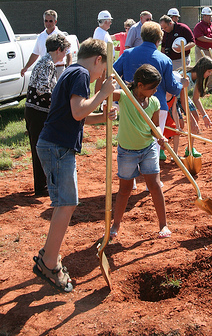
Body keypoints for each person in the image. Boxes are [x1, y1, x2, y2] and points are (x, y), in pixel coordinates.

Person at [33, 38, 116, 292]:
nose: (100, 76)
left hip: (55, 145)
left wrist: (102, 116)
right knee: (66, 204)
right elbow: (79, 111)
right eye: (102, 71)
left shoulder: (72, 71)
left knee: (65, 203)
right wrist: (103, 93)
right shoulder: (80, 73)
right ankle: (48, 262)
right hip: (57, 147)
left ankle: (49, 254)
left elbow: (76, 116)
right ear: (98, 60)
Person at [109, 64, 171, 241]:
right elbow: (102, 94)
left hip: (148, 148)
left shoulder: (154, 102)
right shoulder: (124, 97)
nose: (155, 90)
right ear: (140, 85)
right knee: (125, 190)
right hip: (127, 151)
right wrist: (105, 82)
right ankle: (116, 225)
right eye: (152, 87)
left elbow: (154, 128)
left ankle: (163, 225)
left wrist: (160, 137)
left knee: (155, 185)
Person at [113, 21, 189, 161]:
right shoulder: (164, 60)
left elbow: (113, 73)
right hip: (157, 105)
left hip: (130, 103)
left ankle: (133, 176)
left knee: (130, 139)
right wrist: (182, 84)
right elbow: (172, 87)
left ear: (142, 36)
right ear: (159, 40)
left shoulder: (127, 54)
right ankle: (150, 174)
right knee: (153, 143)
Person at [24, 34, 70, 197]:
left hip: (36, 111)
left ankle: (42, 184)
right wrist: (57, 104)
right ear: (58, 49)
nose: (65, 54)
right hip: (38, 112)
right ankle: (41, 187)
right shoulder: (48, 63)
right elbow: (43, 89)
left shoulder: (45, 61)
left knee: (39, 147)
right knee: (40, 148)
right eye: (65, 51)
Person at [21, 10, 72, 80]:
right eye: (46, 21)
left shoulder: (60, 36)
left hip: (58, 68)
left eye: (50, 21)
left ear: (55, 21)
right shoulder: (40, 36)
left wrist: (69, 69)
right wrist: (26, 67)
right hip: (45, 69)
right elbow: (35, 54)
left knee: (58, 90)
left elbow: (68, 54)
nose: (48, 23)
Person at [193, 7, 212, 94]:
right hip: (203, 50)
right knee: (201, 69)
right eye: (208, 16)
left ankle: (210, 87)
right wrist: (211, 40)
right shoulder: (199, 26)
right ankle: (200, 88)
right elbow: (198, 37)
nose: (210, 17)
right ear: (203, 16)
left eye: (210, 16)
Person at [93, 10, 115, 93]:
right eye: (110, 21)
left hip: (106, 60)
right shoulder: (100, 32)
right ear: (106, 21)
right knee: (101, 79)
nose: (110, 23)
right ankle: (98, 99)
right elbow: (100, 48)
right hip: (103, 60)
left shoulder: (102, 32)